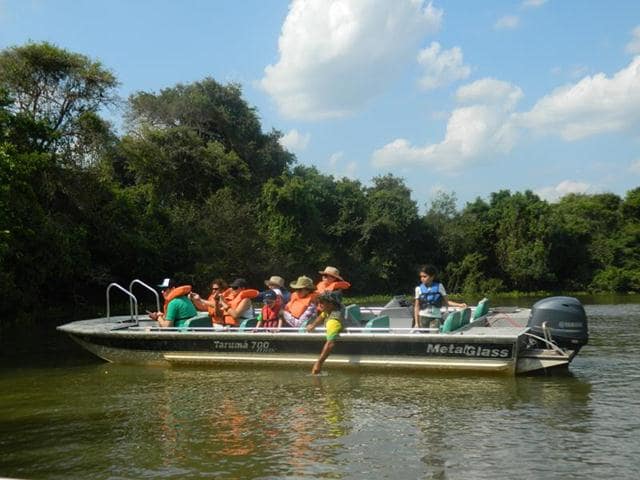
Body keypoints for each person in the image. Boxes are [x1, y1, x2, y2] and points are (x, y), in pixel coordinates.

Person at [413, 264, 466, 331]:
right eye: (421, 277)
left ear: (432, 277)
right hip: (423, 317)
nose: (422, 279)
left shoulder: (439, 286)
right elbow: (416, 307)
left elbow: (447, 302)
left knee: (435, 336)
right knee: (425, 338)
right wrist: (416, 323)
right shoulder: (418, 289)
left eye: (425, 276)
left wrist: (460, 305)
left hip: (436, 317)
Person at [306, 291, 344, 374]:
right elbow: (322, 316)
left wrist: (318, 363)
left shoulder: (333, 321)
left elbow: (330, 343)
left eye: (322, 302)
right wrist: (313, 325)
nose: (319, 305)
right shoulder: (332, 309)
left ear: (331, 304)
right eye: (319, 302)